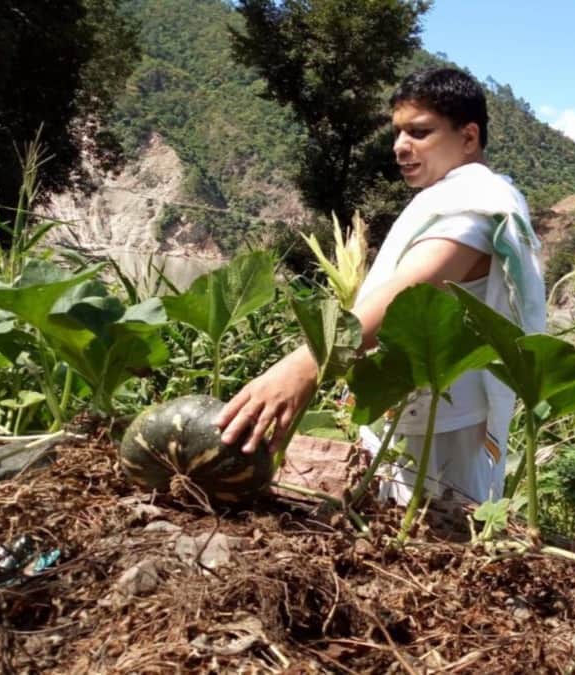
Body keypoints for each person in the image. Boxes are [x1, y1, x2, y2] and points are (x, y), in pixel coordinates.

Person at [216, 67, 545, 503]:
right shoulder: (460, 196)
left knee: (435, 542)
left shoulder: (476, 204)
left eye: (420, 132)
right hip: (420, 411)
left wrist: (305, 366)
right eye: (397, 133)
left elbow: (410, 291)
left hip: (445, 425)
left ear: (468, 137)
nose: (401, 147)